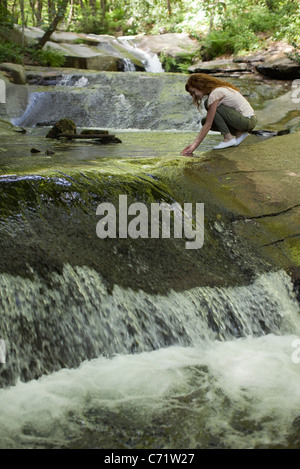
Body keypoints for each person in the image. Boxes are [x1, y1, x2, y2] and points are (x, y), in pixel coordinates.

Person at [181, 73, 257, 154]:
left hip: (247, 121)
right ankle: (240, 133)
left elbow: (208, 124)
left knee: (210, 109)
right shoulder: (218, 90)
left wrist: (194, 145)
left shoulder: (215, 93)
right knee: (204, 120)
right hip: (246, 121)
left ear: (200, 86)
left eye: (193, 92)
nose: (193, 96)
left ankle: (228, 138)